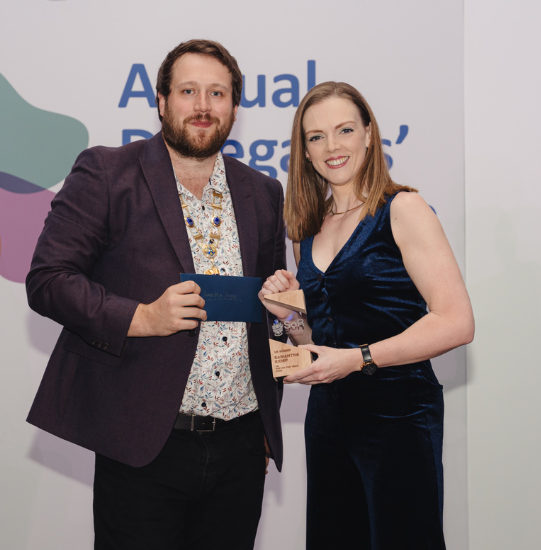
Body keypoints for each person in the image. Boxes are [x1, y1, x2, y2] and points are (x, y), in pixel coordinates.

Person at [26, 39, 286, 550]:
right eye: (188, 91)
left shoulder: (263, 192)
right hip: (143, 443)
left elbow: (272, 317)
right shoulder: (107, 172)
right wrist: (141, 317)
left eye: (217, 93)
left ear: (235, 108)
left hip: (240, 448)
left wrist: (286, 314)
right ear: (162, 101)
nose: (203, 106)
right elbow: (48, 279)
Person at [259, 82, 474, 550]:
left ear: (369, 134)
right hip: (328, 419)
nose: (332, 147)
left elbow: (457, 321)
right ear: (305, 151)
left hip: (399, 414)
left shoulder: (403, 208)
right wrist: (286, 314)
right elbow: (315, 345)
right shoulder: (306, 230)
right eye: (316, 137)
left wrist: (358, 359)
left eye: (344, 130)